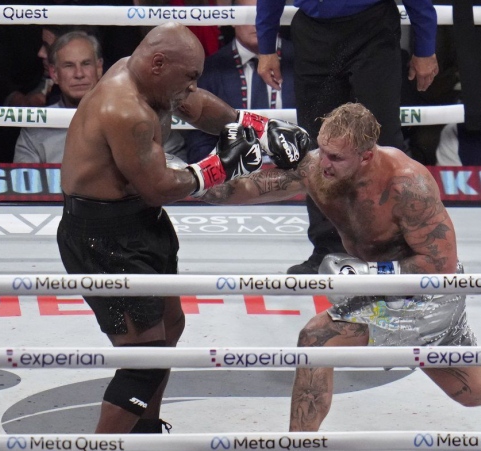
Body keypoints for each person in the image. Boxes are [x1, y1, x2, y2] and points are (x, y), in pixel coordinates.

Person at [201, 102, 481, 433]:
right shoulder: (318, 168)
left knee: (317, 338)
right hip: (387, 289)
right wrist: (200, 178)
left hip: (429, 292)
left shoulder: (408, 184)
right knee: (478, 390)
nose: (322, 163)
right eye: (322, 151)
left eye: (336, 157)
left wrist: (367, 276)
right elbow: (250, 188)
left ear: (366, 157)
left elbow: (439, 265)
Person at [56, 22, 309, 434]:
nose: (191, 87)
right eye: (188, 77)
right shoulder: (124, 108)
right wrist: (220, 166)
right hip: (103, 239)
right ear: (159, 64)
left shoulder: (148, 78)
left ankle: (146, 433)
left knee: (171, 326)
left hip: (141, 223)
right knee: (145, 360)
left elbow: (194, 104)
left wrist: (254, 126)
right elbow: (157, 187)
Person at [256, 0, 440, 275]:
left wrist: (425, 47)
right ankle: (327, 249)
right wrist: (266, 47)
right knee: (319, 145)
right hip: (313, 31)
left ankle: (399, 248)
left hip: (372, 29)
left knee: (383, 140)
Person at [14, 31, 186, 163]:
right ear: (54, 73)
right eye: (68, 66)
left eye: (86, 64)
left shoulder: (140, 116)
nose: (79, 74)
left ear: (99, 68)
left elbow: (175, 168)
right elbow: (22, 186)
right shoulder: (36, 128)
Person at [183, 0, 295, 163]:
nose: (258, 23)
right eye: (250, 15)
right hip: (231, 175)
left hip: (295, 171)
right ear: (234, 20)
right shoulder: (210, 69)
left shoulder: (302, 61)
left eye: (265, 15)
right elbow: (199, 140)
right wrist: (221, 174)